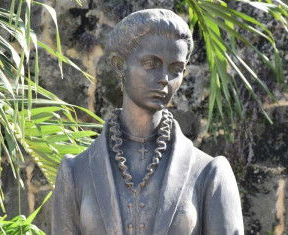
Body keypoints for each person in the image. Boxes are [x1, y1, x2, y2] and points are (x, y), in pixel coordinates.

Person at [52, 9, 244, 235]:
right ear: (119, 64)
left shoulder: (209, 173)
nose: (164, 78)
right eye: (152, 64)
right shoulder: (76, 173)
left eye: (176, 69)